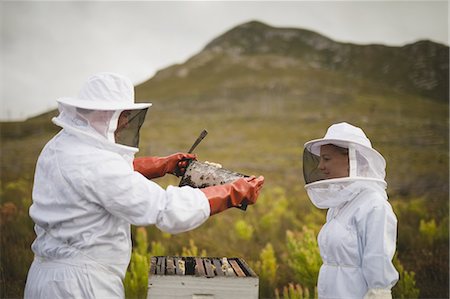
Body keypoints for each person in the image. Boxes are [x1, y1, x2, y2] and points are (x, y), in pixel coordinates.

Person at [24, 72, 264, 298]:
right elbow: (166, 209)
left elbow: (103, 179)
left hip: (45, 278)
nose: (127, 120)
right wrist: (233, 191)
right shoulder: (95, 162)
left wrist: (162, 165)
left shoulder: (61, 145)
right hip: (80, 286)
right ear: (103, 114)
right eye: (123, 114)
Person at [302, 122, 398, 299]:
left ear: (352, 159)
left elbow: (378, 263)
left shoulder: (374, 206)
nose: (320, 166)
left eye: (327, 159)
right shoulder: (339, 205)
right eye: (321, 159)